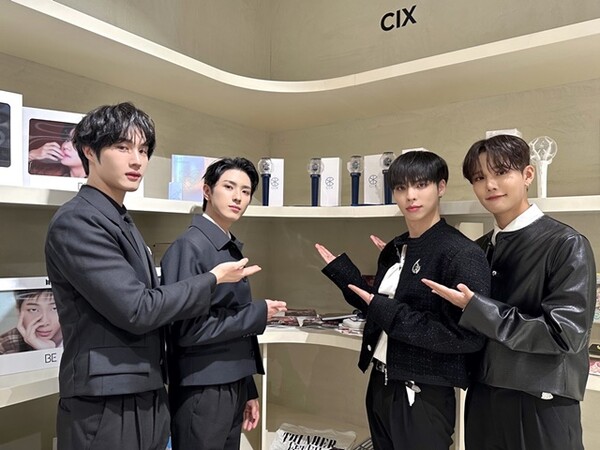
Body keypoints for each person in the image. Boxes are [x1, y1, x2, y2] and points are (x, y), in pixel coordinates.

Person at [45, 102, 261, 450]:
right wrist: (213, 279)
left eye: (144, 150)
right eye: (123, 147)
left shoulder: (120, 220)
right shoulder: (78, 220)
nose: (137, 161)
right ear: (89, 151)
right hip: (107, 400)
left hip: (145, 388)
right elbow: (138, 308)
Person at [422, 134, 596, 450]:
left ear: (527, 175)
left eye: (501, 172)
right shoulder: (477, 249)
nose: (490, 185)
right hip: (483, 395)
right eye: (479, 177)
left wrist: (477, 309)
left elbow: (566, 335)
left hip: (540, 400)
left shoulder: (567, 244)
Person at [315, 151, 490, 450]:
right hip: (381, 381)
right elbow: (380, 309)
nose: (410, 195)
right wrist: (346, 277)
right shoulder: (397, 247)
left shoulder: (461, 253)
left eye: (421, 185)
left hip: (422, 392)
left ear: (441, 187)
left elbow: (467, 337)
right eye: (400, 187)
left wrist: (384, 308)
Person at [161, 157, 287, 450]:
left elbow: (230, 322)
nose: (238, 197)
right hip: (202, 387)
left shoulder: (225, 244)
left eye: (245, 191)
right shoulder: (189, 246)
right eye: (229, 187)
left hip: (230, 384)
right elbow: (187, 330)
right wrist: (258, 313)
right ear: (207, 191)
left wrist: (247, 387)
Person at [0, 290, 62, 354]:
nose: (44, 322)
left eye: (54, 308)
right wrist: (46, 352)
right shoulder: (5, 345)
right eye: (33, 310)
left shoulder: (69, 335)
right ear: (18, 311)